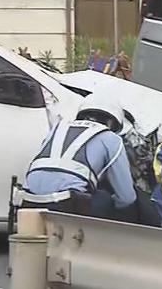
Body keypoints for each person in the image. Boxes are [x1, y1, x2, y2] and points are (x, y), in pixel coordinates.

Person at [18, 93, 151, 224]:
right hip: (68, 204)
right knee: (108, 199)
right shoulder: (111, 138)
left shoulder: (57, 128)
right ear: (112, 122)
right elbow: (126, 198)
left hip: (29, 200)